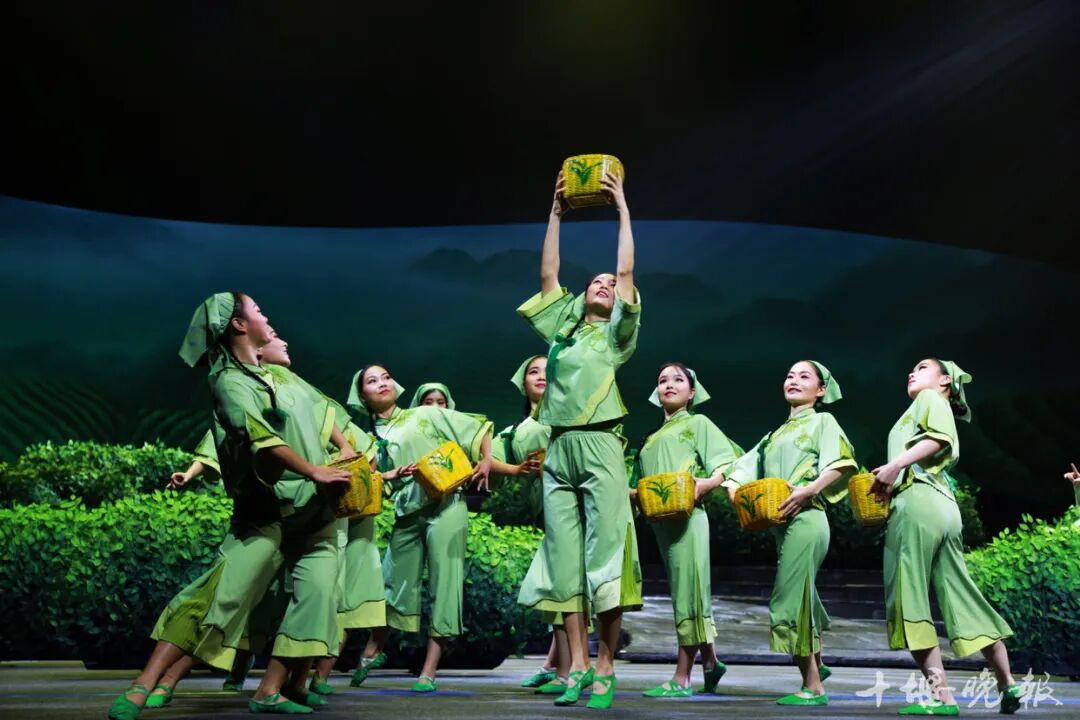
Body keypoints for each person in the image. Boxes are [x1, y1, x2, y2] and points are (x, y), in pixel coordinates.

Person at [107, 293, 351, 719]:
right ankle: (144, 684)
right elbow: (258, 438)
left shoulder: (279, 377)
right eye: (257, 311)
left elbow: (324, 414)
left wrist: (345, 454)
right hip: (268, 514)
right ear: (238, 325)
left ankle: (270, 691)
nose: (266, 317)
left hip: (317, 513)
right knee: (221, 596)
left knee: (316, 597)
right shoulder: (228, 383)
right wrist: (314, 470)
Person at [515, 169, 642, 709]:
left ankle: (607, 665)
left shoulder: (616, 337)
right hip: (560, 447)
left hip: (601, 444)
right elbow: (549, 272)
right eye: (597, 281)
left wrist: (621, 208)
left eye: (610, 285)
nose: (604, 283)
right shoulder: (563, 331)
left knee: (605, 557)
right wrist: (556, 213)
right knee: (563, 559)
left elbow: (626, 268)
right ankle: (577, 667)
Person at [869, 359, 1020, 716]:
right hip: (943, 507)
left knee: (909, 598)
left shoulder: (930, 400)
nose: (912, 372)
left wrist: (895, 465)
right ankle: (1008, 684)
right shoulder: (921, 407)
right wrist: (892, 475)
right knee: (962, 594)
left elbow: (940, 439)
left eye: (922, 368)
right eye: (911, 369)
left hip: (919, 505)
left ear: (945, 382)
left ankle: (942, 698)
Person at [350, 365, 494, 692]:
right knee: (394, 582)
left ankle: (428, 671)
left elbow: (478, 427)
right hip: (408, 509)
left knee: (445, 584)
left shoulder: (424, 414)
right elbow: (372, 482)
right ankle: (373, 649)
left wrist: (486, 460)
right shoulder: (367, 439)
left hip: (447, 504)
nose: (382, 383)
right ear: (362, 396)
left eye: (386, 377)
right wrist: (387, 477)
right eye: (372, 381)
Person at [722, 360, 856, 707]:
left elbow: (841, 463)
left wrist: (810, 490)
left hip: (808, 519)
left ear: (821, 390)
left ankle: (813, 686)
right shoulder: (773, 436)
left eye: (804, 376)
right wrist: (736, 493)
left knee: (789, 598)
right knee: (802, 593)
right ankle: (818, 665)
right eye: (789, 375)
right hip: (781, 527)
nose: (794, 380)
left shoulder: (823, 421)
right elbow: (739, 471)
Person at [632, 363, 742, 698]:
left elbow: (730, 463)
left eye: (678, 380)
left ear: (691, 392)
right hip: (661, 523)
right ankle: (711, 662)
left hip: (688, 520)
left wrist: (705, 484)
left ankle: (682, 678)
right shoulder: (650, 438)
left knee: (688, 594)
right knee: (686, 591)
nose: (669, 384)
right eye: (662, 380)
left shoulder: (698, 423)